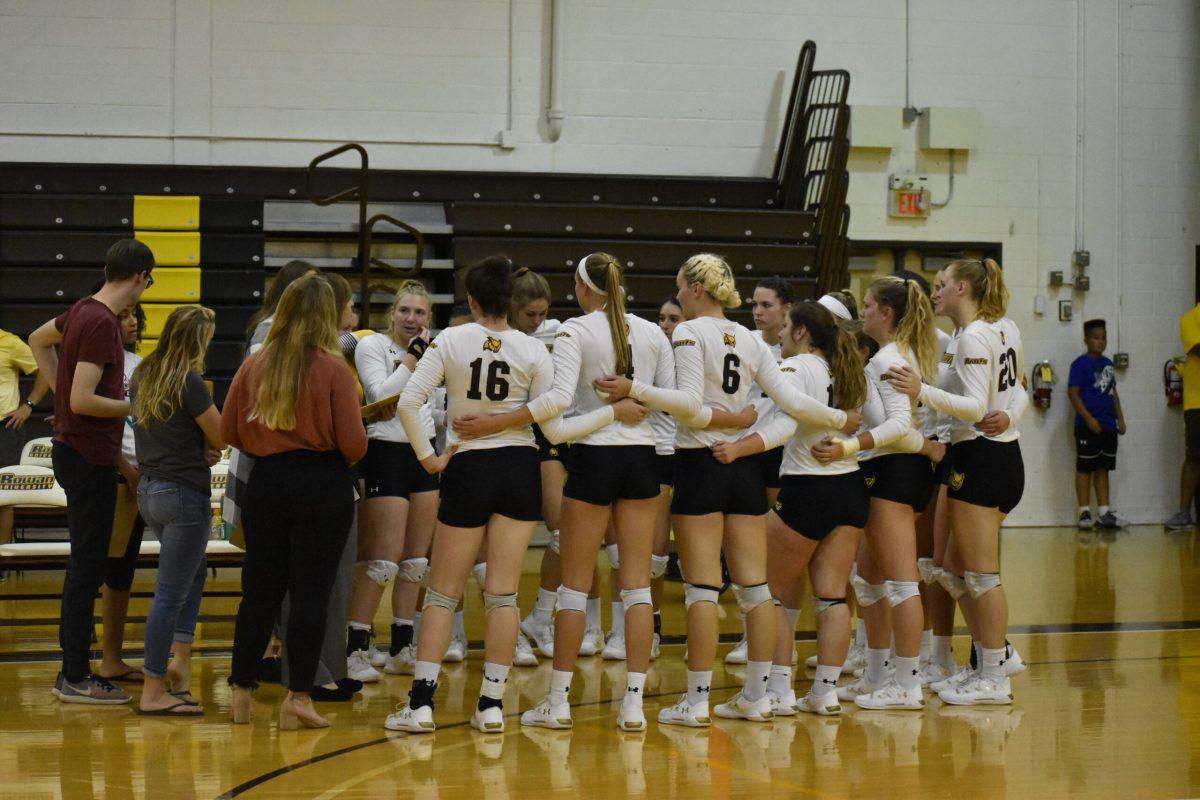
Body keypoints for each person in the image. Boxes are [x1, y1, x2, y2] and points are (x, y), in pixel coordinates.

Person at [603, 253, 858, 727]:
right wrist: (840, 421)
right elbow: (792, 407)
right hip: (743, 465)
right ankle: (756, 696)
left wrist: (635, 389)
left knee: (702, 588)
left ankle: (696, 701)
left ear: (697, 289)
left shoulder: (687, 332)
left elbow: (689, 407)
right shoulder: (747, 337)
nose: (678, 295)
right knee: (756, 589)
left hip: (700, 464)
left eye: (681, 287)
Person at [384, 256, 634, 734]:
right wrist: (609, 414)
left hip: (467, 465)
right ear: (512, 302)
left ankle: (420, 706)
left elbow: (409, 401)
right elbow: (555, 410)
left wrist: (428, 459)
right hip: (521, 469)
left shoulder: (451, 339)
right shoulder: (533, 350)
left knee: (441, 593)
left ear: (474, 301)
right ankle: (492, 705)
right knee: (502, 594)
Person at [453, 252, 669, 731]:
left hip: (594, 457)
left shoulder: (573, 330)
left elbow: (556, 419)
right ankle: (633, 705)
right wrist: (636, 399)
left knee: (574, 585)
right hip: (643, 458)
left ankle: (559, 701)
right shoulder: (653, 332)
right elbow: (681, 403)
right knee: (636, 587)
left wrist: (611, 411)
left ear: (580, 285)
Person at [708, 301, 869, 715]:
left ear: (801, 332)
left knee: (771, 593)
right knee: (832, 597)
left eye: (785, 327)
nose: (778, 333)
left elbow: (778, 422)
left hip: (808, 487)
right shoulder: (844, 368)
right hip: (850, 487)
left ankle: (775, 690)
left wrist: (737, 439)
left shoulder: (797, 369)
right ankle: (825, 692)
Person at [221, 274, 367, 729]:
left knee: (258, 593)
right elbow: (355, 444)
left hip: (265, 484)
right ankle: (298, 698)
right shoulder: (334, 367)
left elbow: (228, 433)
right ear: (327, 314)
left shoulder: (255, 363)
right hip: (322, 484)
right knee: (310, 595)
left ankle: (240, 693)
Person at [886, 258, 1030, 705]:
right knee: (950, 570)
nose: (936, 291)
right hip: (993, 454)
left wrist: (920, 391)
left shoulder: (973, 337)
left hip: (983, 458)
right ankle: (996, 655)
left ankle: (994, 674)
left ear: (963, 288)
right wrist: (1012, 411)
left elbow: (971, 407)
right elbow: (1018, 385)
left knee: (982, 575)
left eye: (943, 284)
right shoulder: (1004, 328)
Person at [27, 238, 155, 704]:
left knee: (86, 565)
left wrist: (63, 399)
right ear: (141, 277)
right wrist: (135, 406)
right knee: (86, 567)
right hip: (88, 456)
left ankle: (77, 670)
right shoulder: (102, 322)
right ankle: (75, 674)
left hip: (77, 451)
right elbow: (83, 399)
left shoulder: (83, 308)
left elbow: (37, 340)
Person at [816, 275, 937, 712]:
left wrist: (851, 445)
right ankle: (877, 674)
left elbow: (899, 426)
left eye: (867, 305)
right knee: (868, 580)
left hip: (897, 473)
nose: (861, 311)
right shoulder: (891, 355)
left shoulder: (889, 358)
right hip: (885, 470)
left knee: (902, 583)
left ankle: (906, 684)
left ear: (885, 313)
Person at [130, 306, 223, 715]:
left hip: (149, 490)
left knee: (193, 571)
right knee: (168, 593)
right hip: (184, 494)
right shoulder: (190, 381)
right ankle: (153, 688)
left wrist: (197, 446)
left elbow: (163, 430)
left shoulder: (143, 374)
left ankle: (179, 667)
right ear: (198, 341)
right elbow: (221, 434)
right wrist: (207, 447)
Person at [349, 281, 439, 679]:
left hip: (422, 453)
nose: (411, 319)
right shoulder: (373, 347)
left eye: (420, 313)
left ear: (429, 318)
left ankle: (403, 646)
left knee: (416, 563)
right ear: (392, 314)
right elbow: (382, 394)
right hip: (384, 453)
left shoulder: (437, 352)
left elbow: (430, 411)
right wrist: (413, 359)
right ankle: (355, 648)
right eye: (405, 311)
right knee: (382, 561)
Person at [725, 276, 794, 667]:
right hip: (748, 449)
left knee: (776, 547)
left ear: (786, 308)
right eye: (754, 304)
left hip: (781, 451)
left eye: (766, 304)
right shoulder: (745, 342)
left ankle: (780, 637)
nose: (758, 311)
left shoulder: (797, 351)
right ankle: (750, 634)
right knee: (746, 551)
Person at [97, 302, 149, 683]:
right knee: (112, 572)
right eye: (124, 315)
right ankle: (107, 656)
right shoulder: (98, 364)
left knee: (126, 572)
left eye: (136, 316)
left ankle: (116, 657)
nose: (132, 321)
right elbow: (98, 426)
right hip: (119, 477)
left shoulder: (142, 364)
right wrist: (125, 468)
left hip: (150, 474)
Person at [1069, 319, 1126, 529]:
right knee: (1085, 468)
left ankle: (1104, 512)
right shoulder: (1079, 365)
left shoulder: (1108, 364)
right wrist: (1089, 419)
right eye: (1095, 337)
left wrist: (1120, 417)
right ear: (1086, 339)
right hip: (1087, 426)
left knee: (1103, 467)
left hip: (1108, 425)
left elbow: (1113, 393)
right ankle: (1084, 512)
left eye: (1103, 338)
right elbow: (1073, 394)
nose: (1100, 342)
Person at [0, 325, 49, 542]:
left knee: (2, 498)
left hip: (4, 428)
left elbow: (45, 372)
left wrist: (28, 405)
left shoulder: (8, 342)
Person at [1168, 301, 1200, 529]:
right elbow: (1196, 348)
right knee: (1194, 457)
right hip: (1197, 402)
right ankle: (1183, 514)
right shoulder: (1190, 318)